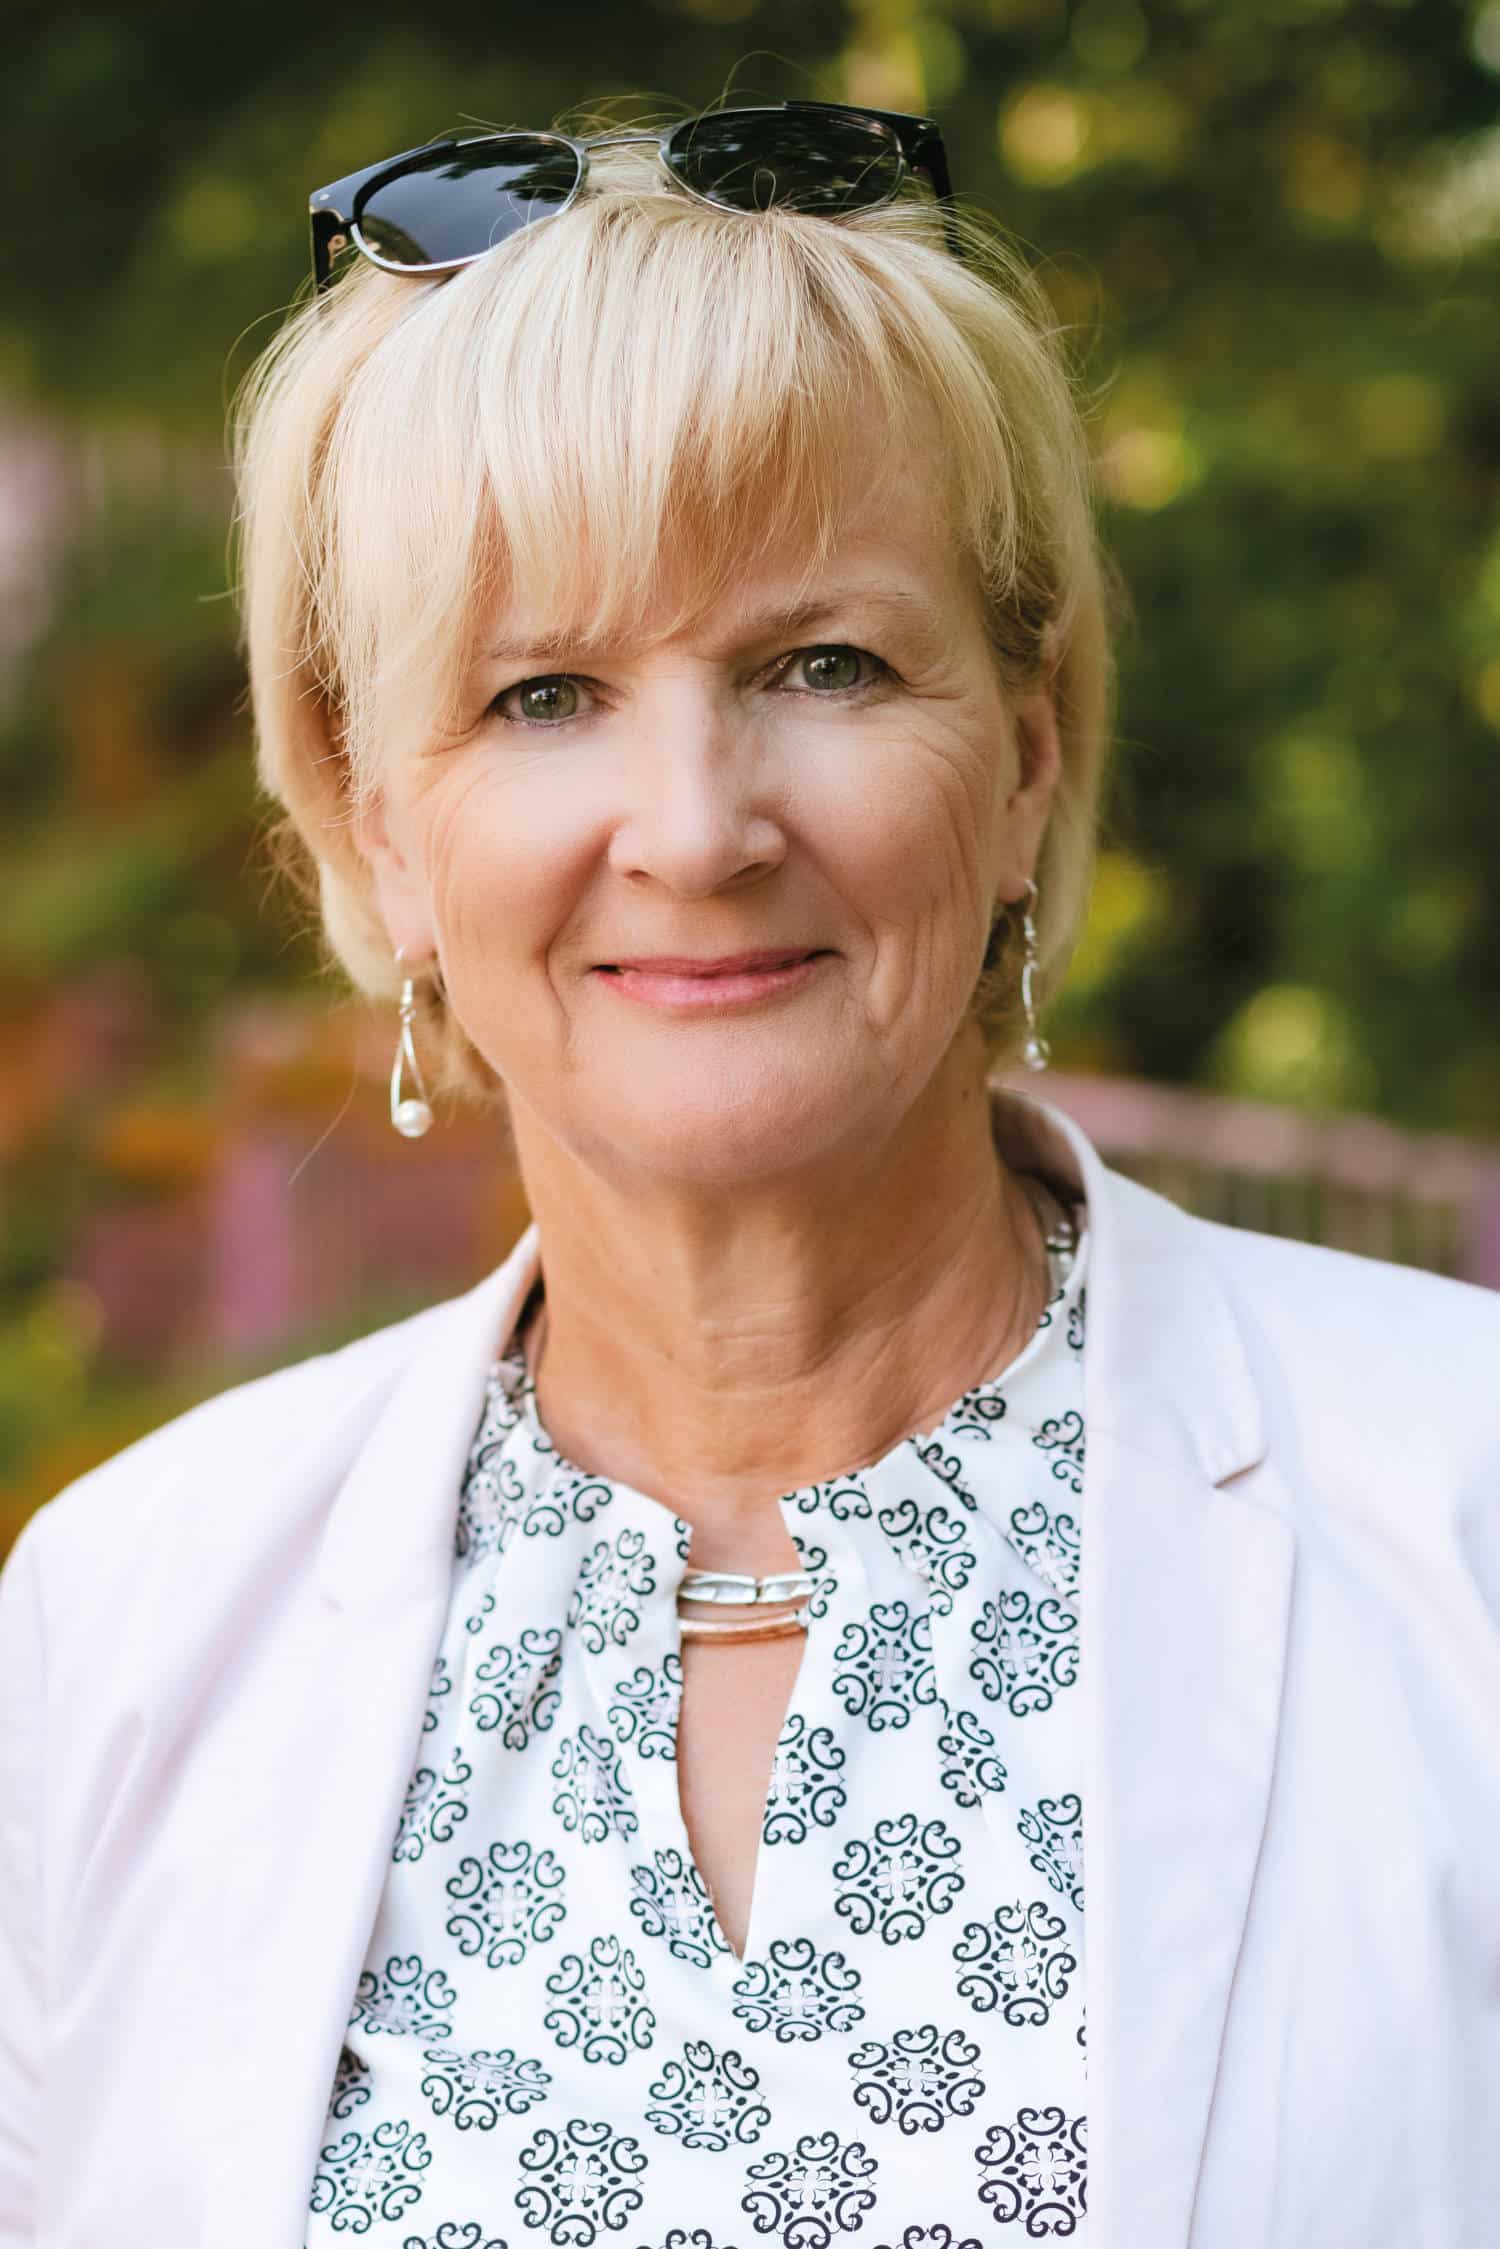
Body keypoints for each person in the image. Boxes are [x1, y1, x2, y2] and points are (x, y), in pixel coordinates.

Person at [1, 96, 1497, 2249]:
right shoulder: (126, 1613)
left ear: (1028, 751)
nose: (697, 828)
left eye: (824, 664)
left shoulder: (1464, 1508)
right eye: (544, 695)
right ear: (378, 824)